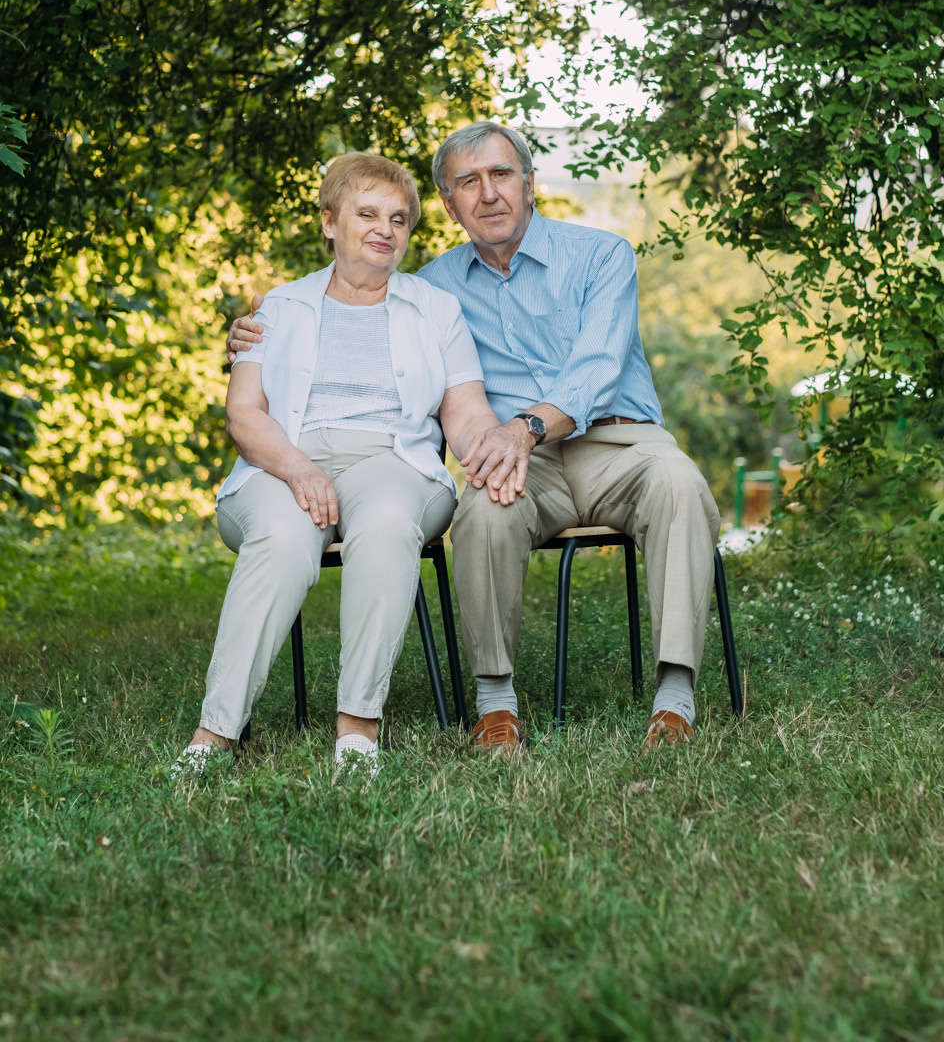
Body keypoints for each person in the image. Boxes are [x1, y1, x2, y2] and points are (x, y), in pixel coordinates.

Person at [228, 124, 720, 755]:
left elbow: (598, 368)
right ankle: (495, 704)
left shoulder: (601, 254)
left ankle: (674, 698)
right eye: (468, 182)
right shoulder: (431, 291)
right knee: (483, 509)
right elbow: (357, 344)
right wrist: (249, 339)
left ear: (530, 184)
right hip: (517, 461)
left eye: (502, 175)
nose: (488, 194)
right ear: (448, 203)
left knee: (679, 482)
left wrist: (527, 426)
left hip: (617, 443)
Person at [177, 151, 523, 780]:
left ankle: (358, 728)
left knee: (389, 521)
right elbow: (245, 414)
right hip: (282, 464)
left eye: (398, 219)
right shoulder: (278, 308)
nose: (384, 230)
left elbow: (466, 412)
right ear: (330, 222)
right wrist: (299, 469)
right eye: (367, 213)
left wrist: (492, 451)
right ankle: (214, 734)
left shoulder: (435, 310)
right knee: (283, 537)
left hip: (395, 459)